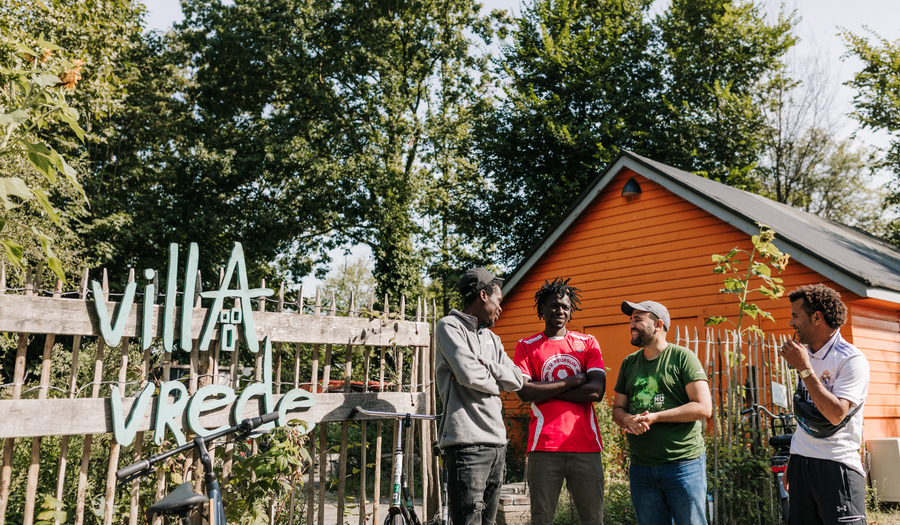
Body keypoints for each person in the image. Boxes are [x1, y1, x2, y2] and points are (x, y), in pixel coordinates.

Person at [434, 267, 524, 525]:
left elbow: (517, 379)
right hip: (467, 446)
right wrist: (498, 381)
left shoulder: (492, 339)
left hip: (497, 444)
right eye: (499, 301)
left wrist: (485, 364)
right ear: (483, 295)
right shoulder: (449, 327)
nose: (501, 308)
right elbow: (468, 375)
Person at [513, 277, 606, 525]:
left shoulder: (587, 343)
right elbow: (524, 393)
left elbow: (596, 392)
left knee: (593, 519)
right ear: (541, 309)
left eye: (565, 306)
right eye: (554, 305)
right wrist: (573, 381)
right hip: (544, 447)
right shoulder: (526, 346)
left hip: (586, 446)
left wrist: (543, 389)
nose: (560, 310)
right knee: (542, 519)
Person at [612, 300, 712, 525]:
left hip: (683, 466)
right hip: (641, 468)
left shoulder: (683, 358)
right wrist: (627, 418)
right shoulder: (629, 363)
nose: (631, 324)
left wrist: (656, 417)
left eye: (638, 319)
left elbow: (703, 407)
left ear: (657, 325)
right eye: (630, 320)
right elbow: (618, 409)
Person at [779, 284, 869, 525]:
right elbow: (806, 415)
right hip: (801, 463)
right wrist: (793, 460)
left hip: (836, 466)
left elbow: (836, 414)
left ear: (817, 317)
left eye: (795, 315)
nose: (791, 323)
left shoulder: (851, 359)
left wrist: (804, 369)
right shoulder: (805, 354)